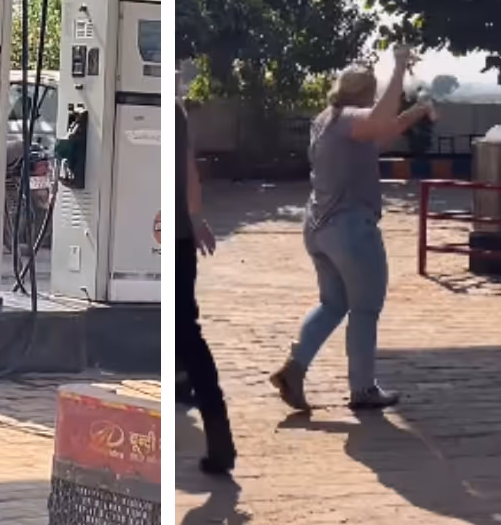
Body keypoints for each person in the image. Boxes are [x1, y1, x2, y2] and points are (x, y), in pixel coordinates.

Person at [270, 45, 435, 411]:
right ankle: (363, 389)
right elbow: (379, 120)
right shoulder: (350, 120)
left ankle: (294, 369)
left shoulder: (326, 120)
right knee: (365, 309)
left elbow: (384, 129)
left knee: (333, 304)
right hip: (350, 230)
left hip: (319, 226)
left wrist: (418, 110)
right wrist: (399, 68)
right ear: (363, 95)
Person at [176, 98, 236, 475]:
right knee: (187, 333)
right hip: (177, 235)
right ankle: (219, 438)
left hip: (158, 233)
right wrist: (195, 218)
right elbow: (189, 170)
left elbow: (187, 168)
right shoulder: (175, 108)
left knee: (181, 332)